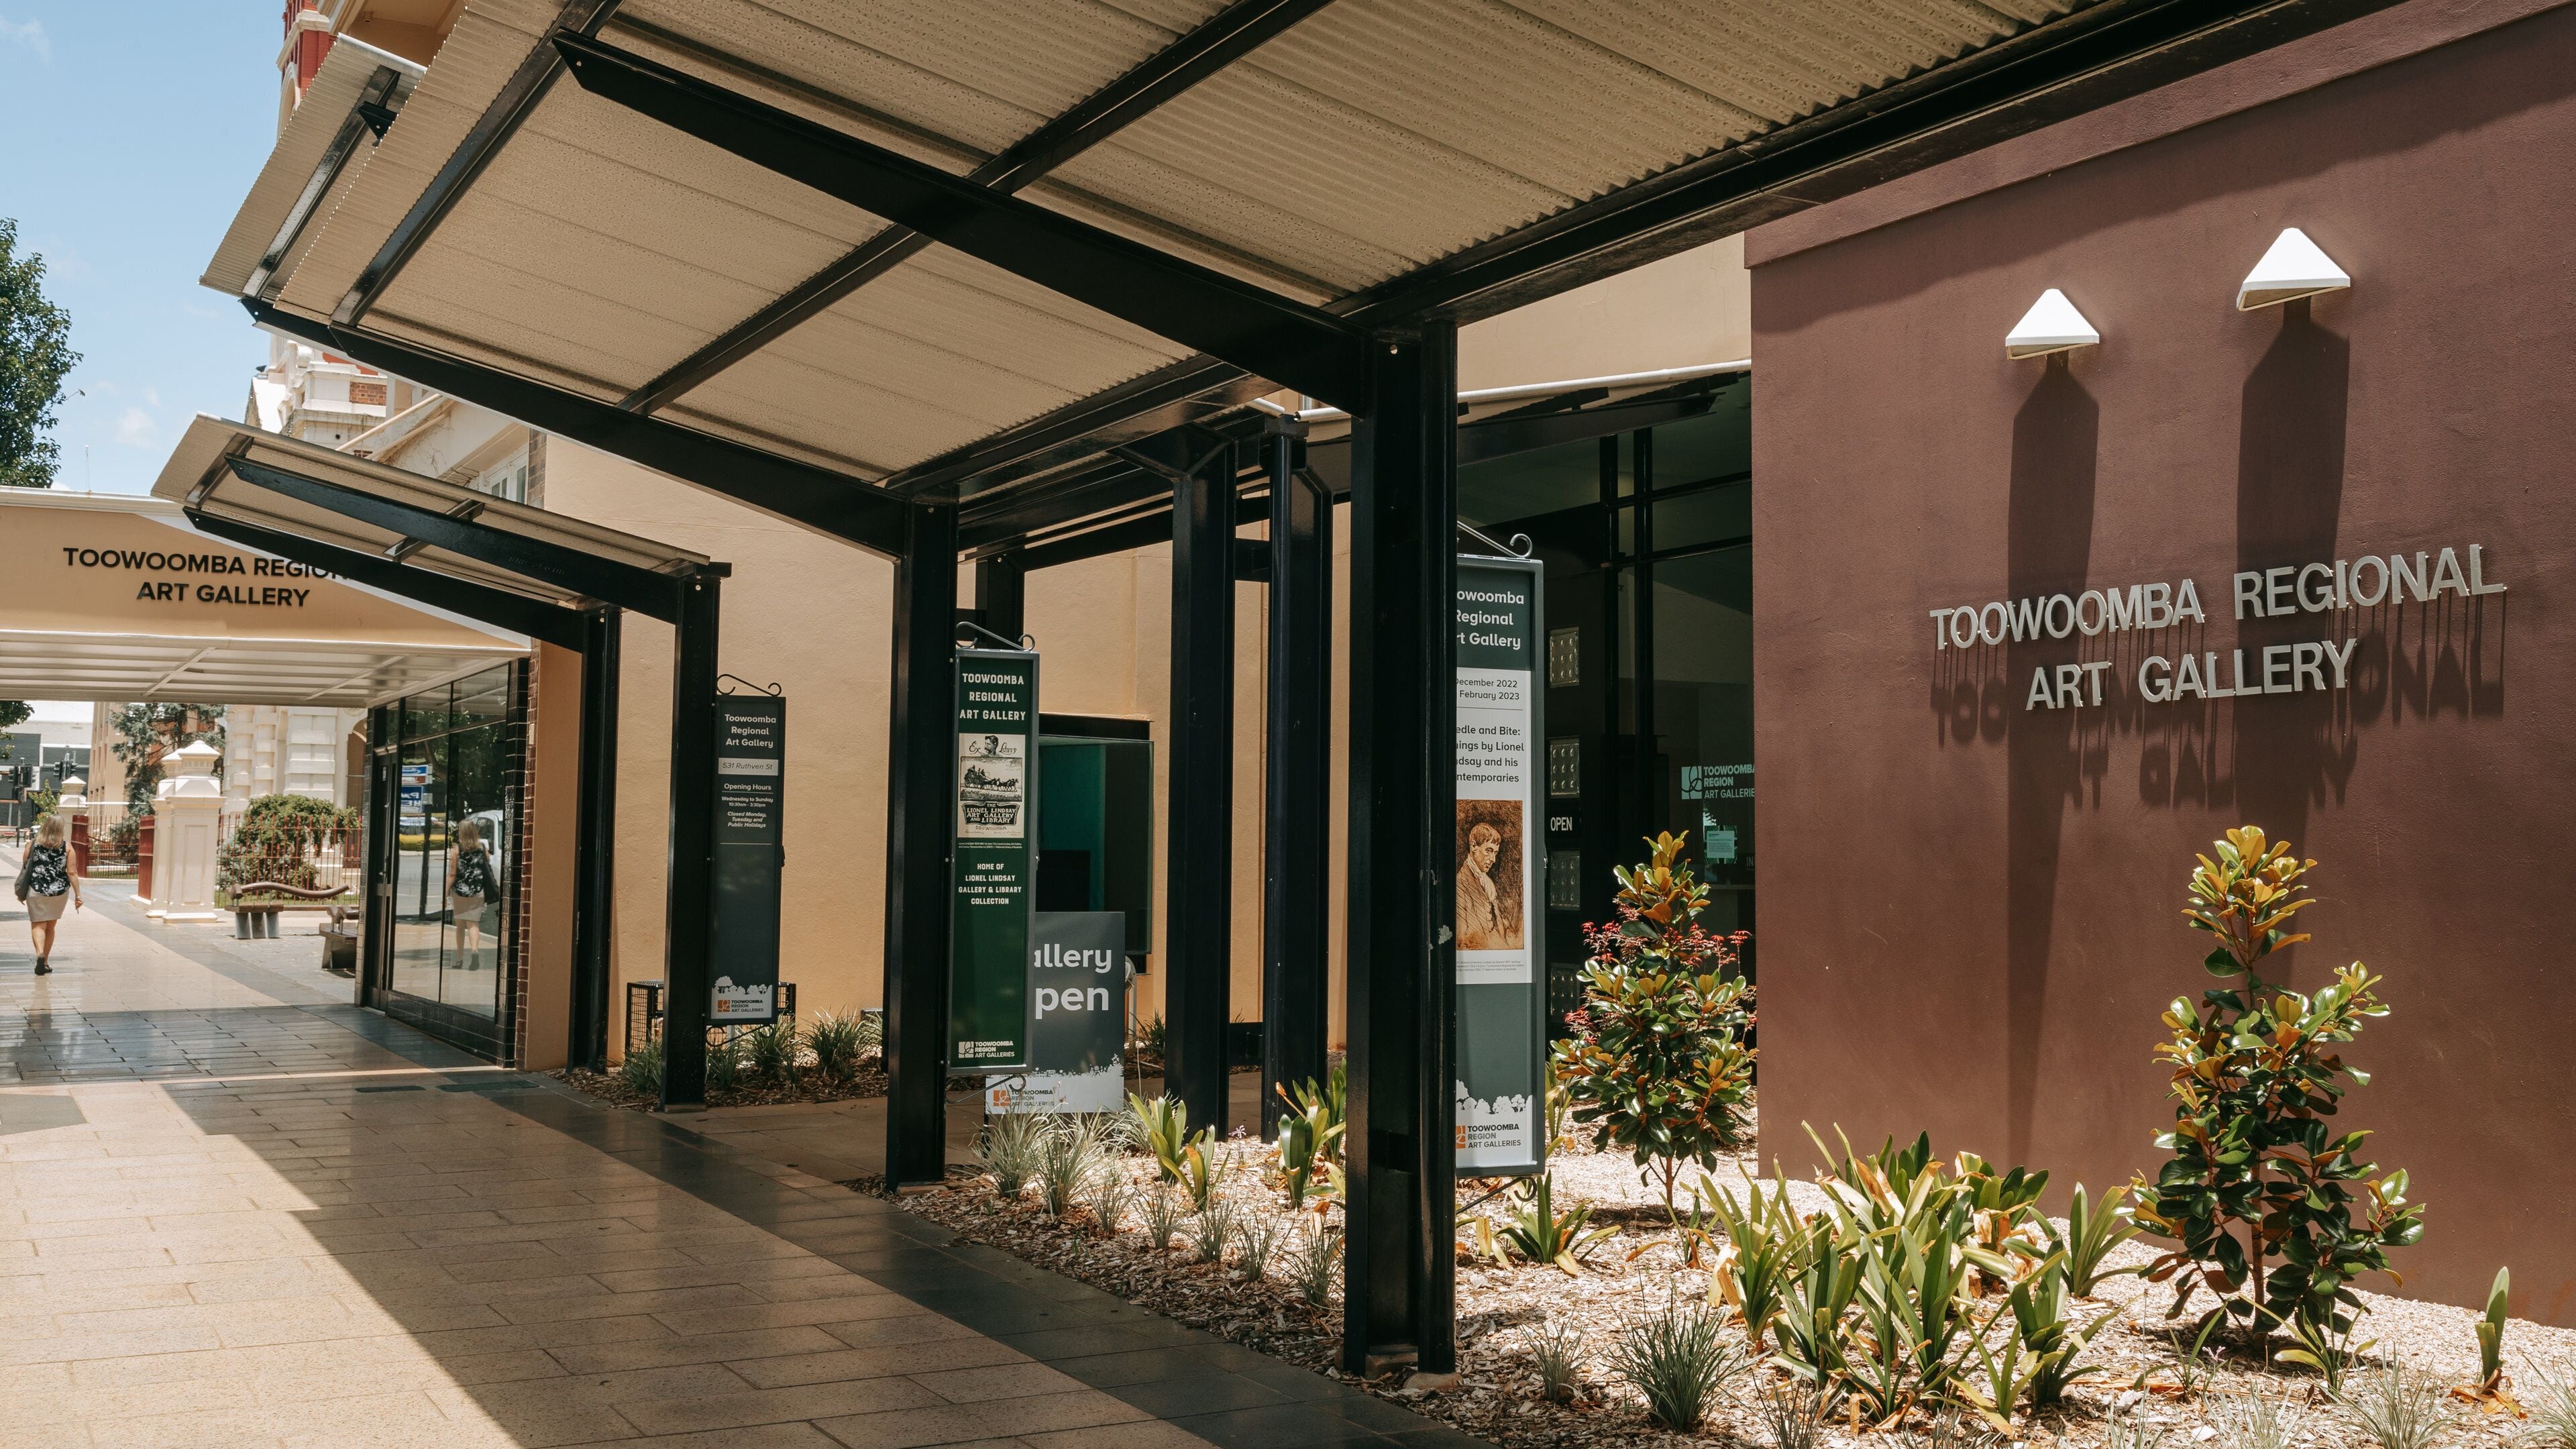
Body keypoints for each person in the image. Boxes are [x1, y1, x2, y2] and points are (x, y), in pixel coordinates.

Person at [13, 813, 83, 975]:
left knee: (38, 924)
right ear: (61, 829)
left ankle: (40, 955)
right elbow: (72, 873)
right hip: (59, 893)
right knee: (50, 927)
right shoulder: (67, 847)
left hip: (36, 890)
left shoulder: (32, 845)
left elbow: (25, 869)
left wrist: (20, 892)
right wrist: (78, 895)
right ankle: (45, 962)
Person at [1456, 820, 1514, 950]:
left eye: (1496, 853)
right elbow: (1462, 940)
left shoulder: (1488, 882)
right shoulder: (1460, 883)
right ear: (1474, 846)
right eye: (1489, 850)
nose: (1493, 859)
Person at [445, 819, 494, 970]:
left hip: (460, 893)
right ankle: (474, 951)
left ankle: (459, 959)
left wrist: (445, 893)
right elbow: (486, 868)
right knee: (473, 924)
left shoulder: (457, 850)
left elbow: (452, 875)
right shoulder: (483, 848)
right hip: (478, 892)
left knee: (460, 927)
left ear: (461, 832)